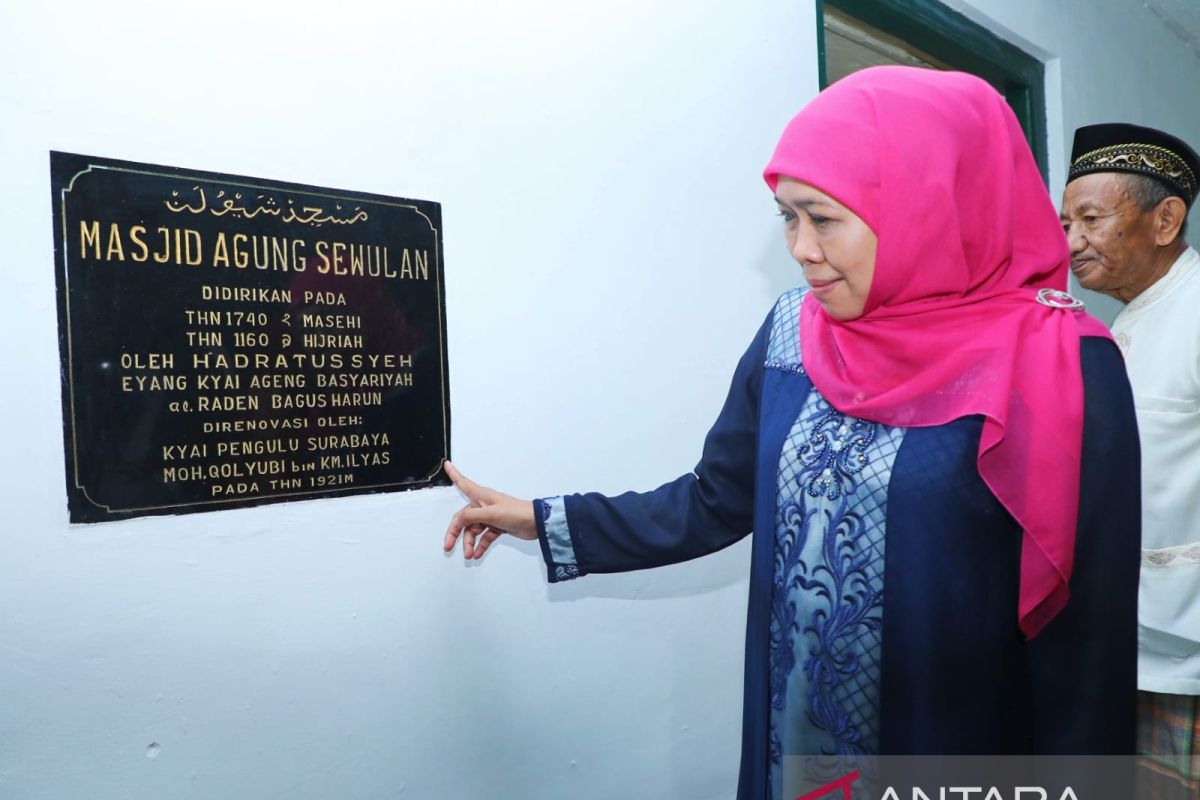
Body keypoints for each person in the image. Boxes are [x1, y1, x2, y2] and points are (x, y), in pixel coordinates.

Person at [446, 67, 1140, 800]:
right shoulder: (792, 332)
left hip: (952, 749)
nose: (801, 248)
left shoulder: (1060, 362)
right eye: (787, 216)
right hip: (794, 740)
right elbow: (716, 499)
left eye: (824, 217)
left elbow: (1085, 645)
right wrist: (547, 521)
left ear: (925, 205)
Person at [1061, 122, 1200, 792]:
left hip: (1187, 657)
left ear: (1165, 218)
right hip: (1130, 644)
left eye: (1090, 218)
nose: (1070, 243)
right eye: (1065, 223)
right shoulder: (1122, 326)